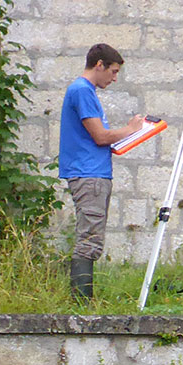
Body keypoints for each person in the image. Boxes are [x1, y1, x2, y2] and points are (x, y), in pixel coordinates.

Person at [58, 43, 144, 299]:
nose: (115, 78)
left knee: (92, 236)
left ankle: (83, 300)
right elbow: (100, 136)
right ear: (99, 65)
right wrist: (132, 129)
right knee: (89, 238)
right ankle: (81, 303)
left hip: (94, 172)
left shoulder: (85, 91)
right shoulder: (82, 91)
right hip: (88, 174)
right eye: (113, 71)